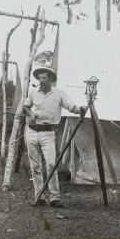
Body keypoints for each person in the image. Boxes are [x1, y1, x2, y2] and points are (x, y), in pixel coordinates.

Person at [22, 66, 86, 207]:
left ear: (51, 79)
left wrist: (82, 109)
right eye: (39, 78)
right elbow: (25, 106)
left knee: (51, 164)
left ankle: (54, 197)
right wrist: (30, 114)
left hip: (48, 133)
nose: (41, 80)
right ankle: (39, 196)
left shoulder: (59, 94)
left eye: (44, 78)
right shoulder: (33, 93)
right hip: (31, 132)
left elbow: (71, 107)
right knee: (35, 167)